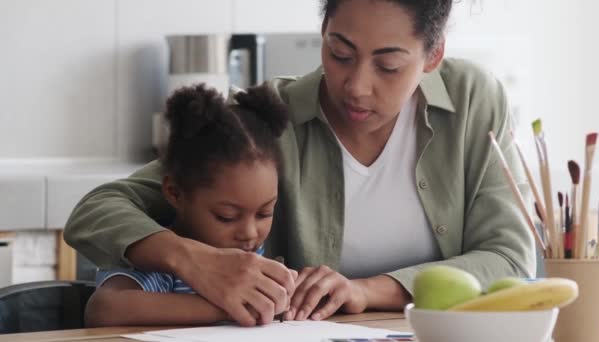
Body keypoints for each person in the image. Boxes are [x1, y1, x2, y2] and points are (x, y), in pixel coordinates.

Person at [65, 0, 535, 327]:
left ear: (432, 56)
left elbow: (511, 259)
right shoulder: (265, 115)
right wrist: (197, 262)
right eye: (340, 53)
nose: (356, 86)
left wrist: (367, 290)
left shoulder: (474, 99)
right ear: (323, 33)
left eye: (387, 66)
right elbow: (99, 209)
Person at [84, 84, 293, 327]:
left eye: (264, 213)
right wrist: (229, 307)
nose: (250, 233)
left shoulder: (248, 254)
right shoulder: (157, 258)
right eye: (227, 217)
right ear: (174, 192)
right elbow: (104, 309)